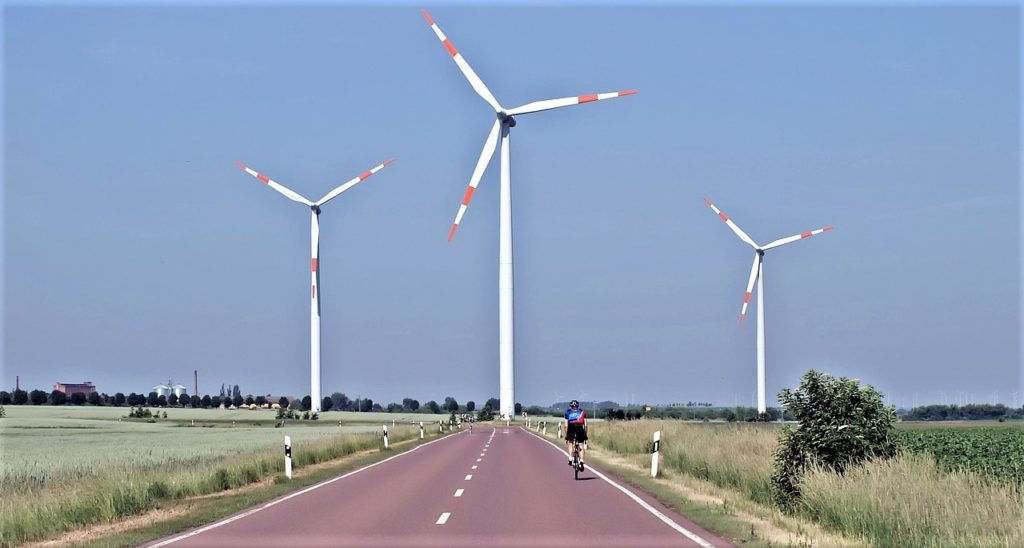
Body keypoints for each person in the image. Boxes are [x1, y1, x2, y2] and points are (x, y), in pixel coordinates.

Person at [564, 400, 587, 468]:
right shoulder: (582, 411)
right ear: (578, 405)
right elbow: (585, 425)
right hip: (580, 427)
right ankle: (582, 460)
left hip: (571, 427)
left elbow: (565, 426)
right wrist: (585, 434)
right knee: (581, 444)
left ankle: (570, 457)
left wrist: (566, 435)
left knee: (570, 442)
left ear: (570, 406)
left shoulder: (567, 412)